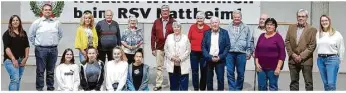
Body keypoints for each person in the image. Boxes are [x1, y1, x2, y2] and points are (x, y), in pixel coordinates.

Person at [29, 4, 63, 91]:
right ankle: (39, 89)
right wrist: (38, 44)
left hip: (53, 49)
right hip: (41, 49)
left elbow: (60, 35)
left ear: (51, 11)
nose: (47, 11)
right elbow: (31, 36)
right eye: (45, 10)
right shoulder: (37, 22)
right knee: (40, 71)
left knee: (51, 71)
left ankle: (50, 88)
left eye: (49, 10)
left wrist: (53, 43)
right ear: (42, 11)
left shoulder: (56, 23)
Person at [285, 9, 317, 91]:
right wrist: (293, 54)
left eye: (303, 16)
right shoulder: (291, 27)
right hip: (293, 60)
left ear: (306, 17)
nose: (301, 18)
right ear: (296, 17)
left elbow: (312, 46)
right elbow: (287, 41)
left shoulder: (312, 29)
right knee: (294, 82)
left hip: (306, 60)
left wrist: (301, 56)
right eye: (299, 16)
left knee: (308, 83)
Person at [255, 18, 286, 91]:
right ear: (265, 26)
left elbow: (282, 54)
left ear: (275, 27)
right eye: (267, 24)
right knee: (261, 87)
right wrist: (257, 63)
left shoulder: (278, 37)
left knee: (273, 87)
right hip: (261, 68)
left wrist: (278, 68)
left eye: (271, 25)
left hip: (273, 68)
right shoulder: (261, 36)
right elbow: (257, 51)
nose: (269, 26)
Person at [225, 10, 253, 91]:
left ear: (241, 18)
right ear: (232, 18)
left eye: (238, 17)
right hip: (230, 53)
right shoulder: (227, 27)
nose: (236, 18)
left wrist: (249, 52)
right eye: (235, 17)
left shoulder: (246, 27)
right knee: (230, 72)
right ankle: (232, 89)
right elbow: (225, 41)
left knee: (241, 73)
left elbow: (249, 40)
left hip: (241, 53)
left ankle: (238, 89)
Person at [316, 15, 345, 91]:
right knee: (325, 83)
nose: (324, 22)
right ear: (320, 22)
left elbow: (341, 47)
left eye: (326, 20)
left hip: (332, 59)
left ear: (329, 21)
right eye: (322, 21)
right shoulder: (318, 34)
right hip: (320, 60)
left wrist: (339, 60)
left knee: (331, 84)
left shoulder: (336, 34)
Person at [151, 4, 176, 91]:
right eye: (163, 11)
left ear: (169, 12)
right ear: (161, 12)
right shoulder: (156, 21)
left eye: (166, 11)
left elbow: (177, 35)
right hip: (159, 47)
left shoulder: (174, 21)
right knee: (159, 67)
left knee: (171, 66)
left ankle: (172, 84)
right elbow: (153, 35)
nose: (165, 12)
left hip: (170, 49)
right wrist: (153, 48)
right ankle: (158, 84)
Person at [202, 16, 230, 91]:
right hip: (209, 59)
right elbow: (203, 47)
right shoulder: (206, 33)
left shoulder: (225, 32)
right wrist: (209, 57)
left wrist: (220, 57)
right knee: (209, 80)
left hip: (220, 59)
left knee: (220, 79)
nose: (214, 24)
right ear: (210, 24)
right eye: (213, 22)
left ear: (219, 23)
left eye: (216, 22)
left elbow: (227, 46)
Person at [2, 15, 29, 91]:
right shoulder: (6, 34)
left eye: (17, 20)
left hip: (21, 60)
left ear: (19, 22)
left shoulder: (23, 33)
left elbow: (27, 46)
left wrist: (26, 58)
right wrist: (13, 59)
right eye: (13, 20)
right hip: (10, 60)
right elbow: (7, 48)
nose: (15, 22)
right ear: (10, 22)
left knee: (18, 80)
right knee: (15, 79)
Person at [164, 21, 191, 91]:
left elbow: (188, 50)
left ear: (180, 28)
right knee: (173, 85)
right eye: (175, 27)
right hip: (172, 64)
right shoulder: (169, 37)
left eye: (178, 27)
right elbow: (165, 49)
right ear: (173, 28)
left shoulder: (185, 37)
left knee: (183, 85)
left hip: (183, 63)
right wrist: (171, 57)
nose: (176, 29)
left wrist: (180, 58)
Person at [188, 11, 210, 91]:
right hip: (193, 53)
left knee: (204, 71)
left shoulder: (207, 28)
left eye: (201, 18)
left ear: (204, 19)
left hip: (204, 53)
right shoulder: (192, 27)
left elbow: (209, 41)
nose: (199, 20)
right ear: (196, 19)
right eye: (198, 18)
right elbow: (188, 39)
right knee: (194, 71)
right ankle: (196, 88)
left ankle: (202, 88)